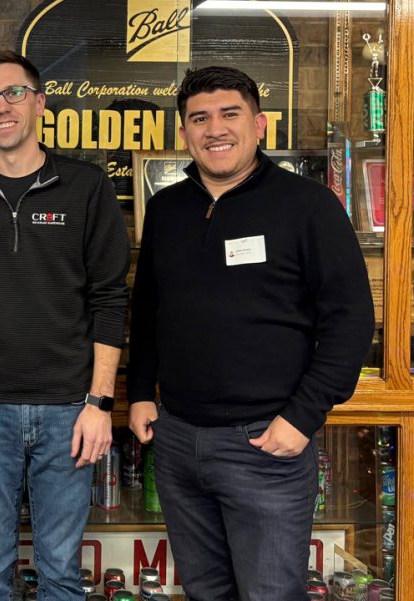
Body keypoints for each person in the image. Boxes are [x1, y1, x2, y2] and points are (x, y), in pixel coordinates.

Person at [126, 66, 374, 599]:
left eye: (230, 114)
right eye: (200, 118)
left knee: (269, 593)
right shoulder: (167, 209)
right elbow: (147, 310)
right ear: (185, 133)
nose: (215, 129)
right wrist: (141, 391)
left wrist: (302, 416)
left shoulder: (307, 205)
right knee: (205, 591)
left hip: (265, 444)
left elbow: (350, 318)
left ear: (259, 125)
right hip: (178, 440)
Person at [0, 50, 129, 600]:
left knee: (61, 572)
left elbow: (110, 298)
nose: (2, 106)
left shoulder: (85, 186)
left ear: (39, 102)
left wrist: (100, 403)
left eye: (14, 93)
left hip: (69, 408)